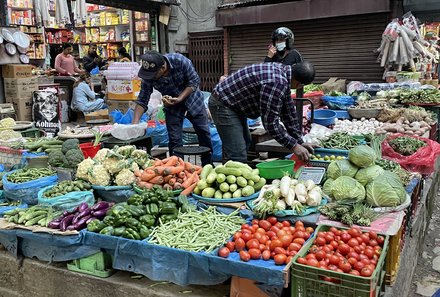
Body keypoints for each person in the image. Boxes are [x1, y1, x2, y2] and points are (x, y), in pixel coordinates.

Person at [209, 61, 316, 162]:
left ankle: (229, 170)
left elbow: (289, 113)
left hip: (234, 104)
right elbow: (270, 124)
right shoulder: (277, 82)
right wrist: (294, 146)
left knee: (246, 142)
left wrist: (300, 141)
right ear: (299, 84)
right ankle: (226, 179)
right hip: (223, 103)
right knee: (237, 152)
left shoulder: (284, 73)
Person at [132, 51, 212, 166]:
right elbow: (143, 98)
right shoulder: (149, 74)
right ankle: (178, 169)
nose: (151, 78)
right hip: (172, 106)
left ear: (163, 67)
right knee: (174, 139)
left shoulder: (180, 61)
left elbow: (194, 82)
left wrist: (179, 98)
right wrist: (134, 125)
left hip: (193, 100)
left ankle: (207, 165)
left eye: (154, 75)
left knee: (204, 133)